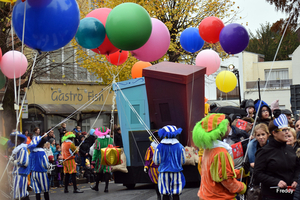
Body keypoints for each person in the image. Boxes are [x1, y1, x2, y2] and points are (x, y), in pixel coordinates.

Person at [192, 114, 247, 200]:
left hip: (206, 196)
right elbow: (227, 180)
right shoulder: (220, 152)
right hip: (219, 197)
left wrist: (240, 173)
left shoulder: (208, 150)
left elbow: (218, 173)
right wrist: (242, 187)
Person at [254, 114, 300, 200]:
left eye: (287, 129)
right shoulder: (264, 151)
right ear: (274, 133)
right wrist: (276, 182)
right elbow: (257, 174)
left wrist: (296, 179)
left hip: (290, 195)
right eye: (283, 130)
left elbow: (297, 167)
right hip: (271, 196)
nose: (287, 132)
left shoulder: (290, 149)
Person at [153, 125, 186, 200]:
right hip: (176, 171)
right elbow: (183, 161)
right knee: (176, 193)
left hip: (164, 172)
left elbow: (156, 161)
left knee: (165, 193)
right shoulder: (180, 146)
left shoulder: (160, 146)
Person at [91, 127, 113, 193]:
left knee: (98, 172)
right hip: (108, 158)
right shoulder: (110, 139)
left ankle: (96, 186)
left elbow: (96, 151)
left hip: (100, 158)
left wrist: (93, 160)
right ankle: (106, 188)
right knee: (107, 172)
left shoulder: (98, 140)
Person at [10, 131, 30, 200]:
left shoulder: (22, 148)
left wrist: (14, 162)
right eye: (15, 139)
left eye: (18, 139)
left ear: (20, 140)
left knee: (21, 194)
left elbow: (25, 162)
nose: (16, 140)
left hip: (21, 174)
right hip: (18, 173)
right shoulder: (17, 149)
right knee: (20, 193)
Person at [144, 130, 161, 200]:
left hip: (163, 167)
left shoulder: (164, 146)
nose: (158, 139)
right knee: (156, 183)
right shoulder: (150, 148)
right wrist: (146, 167)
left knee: (164, 182)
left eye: (159, 137)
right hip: (154, 168)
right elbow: (148, 159)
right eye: (156, 137)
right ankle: (159, 196)